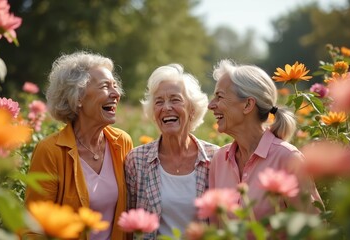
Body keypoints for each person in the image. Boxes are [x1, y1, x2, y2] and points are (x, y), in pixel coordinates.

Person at [25, 51, 133, 240]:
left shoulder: (122, 142)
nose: (116, 93)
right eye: (105, 86)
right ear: (79, 97)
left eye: (115, 86)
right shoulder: (50, 151)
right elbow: (33, 227)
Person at [207, 59, 322, 220]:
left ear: (247, 105)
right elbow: (216, 228)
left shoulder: (288, 158)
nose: (210, 105)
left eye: (219, 97)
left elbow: (313, 229)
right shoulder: (219, 160)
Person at [125, 64, 219, 239]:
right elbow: (130, 225)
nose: (166, 107)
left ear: (192, 109)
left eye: (175, 99)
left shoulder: (216, 158)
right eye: (159, 101)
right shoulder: (136, 160)